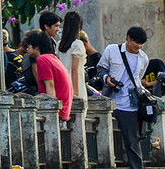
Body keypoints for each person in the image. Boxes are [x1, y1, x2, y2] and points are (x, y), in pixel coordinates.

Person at [98, 25, 154, 169]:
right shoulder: (112, 50)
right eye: (136, 42)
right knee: (103, 137)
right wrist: (106, 78)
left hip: (131, 104)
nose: (138, 46)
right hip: (111, 99)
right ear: (128, 38)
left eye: (141, 43)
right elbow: (101, 68)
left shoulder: (143, 58)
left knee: (132, 140)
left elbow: (138, 80)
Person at [24, 29, 76, 122]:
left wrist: (52, 110)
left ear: (36, 47)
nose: (27, 49)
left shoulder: (42, 59)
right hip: (64, 109)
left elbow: (50, 85)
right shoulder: (52, 58)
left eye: (28, 46)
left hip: (57, 111)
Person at [59, 9, 97, 89]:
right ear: (79, 27)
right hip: (76, 83)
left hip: (62, 82)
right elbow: (74, 70)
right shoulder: (77, 44)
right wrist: (76, 91)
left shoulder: (59, 44)